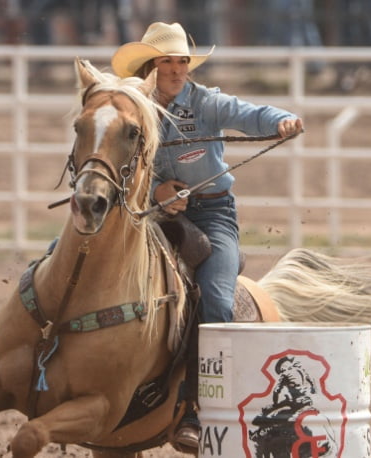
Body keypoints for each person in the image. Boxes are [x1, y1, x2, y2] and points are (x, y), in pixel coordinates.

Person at [111, 21, 303, 450]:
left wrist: (283, 119)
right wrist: (158, 189)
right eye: (167, 62)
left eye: (182, 62)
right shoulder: (134, 107)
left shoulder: (207, 103)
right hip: (150, 213)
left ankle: (194, 406)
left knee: (216, 301)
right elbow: (123, 160)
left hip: (214, 213)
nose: (177, 70)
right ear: (150, 67)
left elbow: (250, 114)